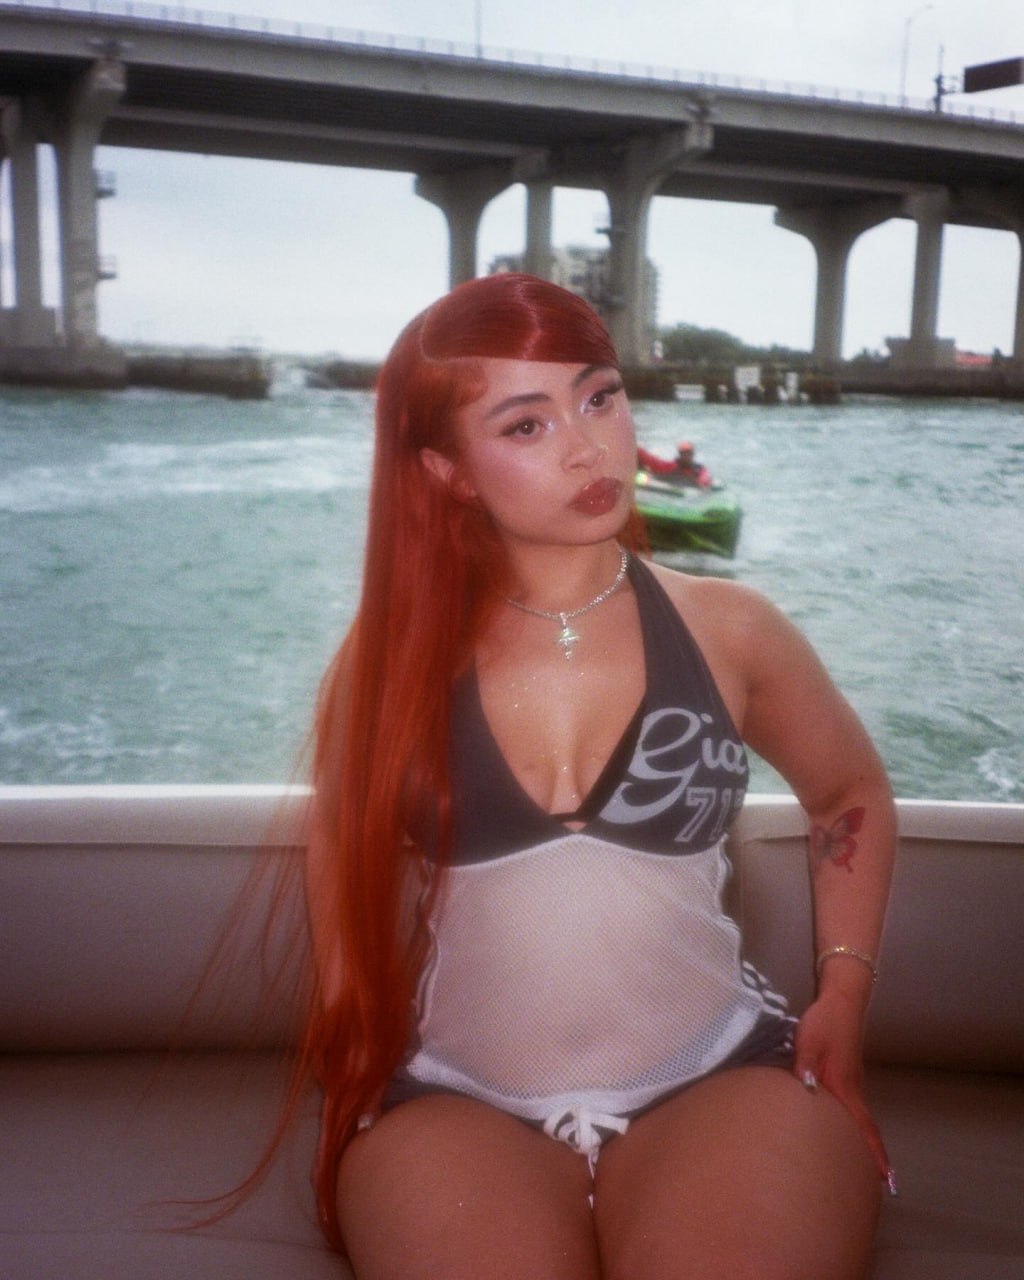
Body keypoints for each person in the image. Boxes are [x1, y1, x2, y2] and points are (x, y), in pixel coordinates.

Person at [299, 273, 897, 1278]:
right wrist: (348, 1017)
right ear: (447, 469)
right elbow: (338, 833)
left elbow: (848, 794)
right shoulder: (393, 657)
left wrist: (843, 991)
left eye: (599, 397)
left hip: (721, 1073)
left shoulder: (732, 629)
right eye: (526, 425)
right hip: (458, 1095)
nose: (588, 448)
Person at [637, 441, 712, 487]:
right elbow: (653, 461)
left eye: (689, 453)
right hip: (669, 486)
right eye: (684, 453)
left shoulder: (699, 469)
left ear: (692, 454)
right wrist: (637, 450)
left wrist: (703, 483)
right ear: (680, 455)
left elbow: (705, 479)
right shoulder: (672, 466)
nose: (687, 456)